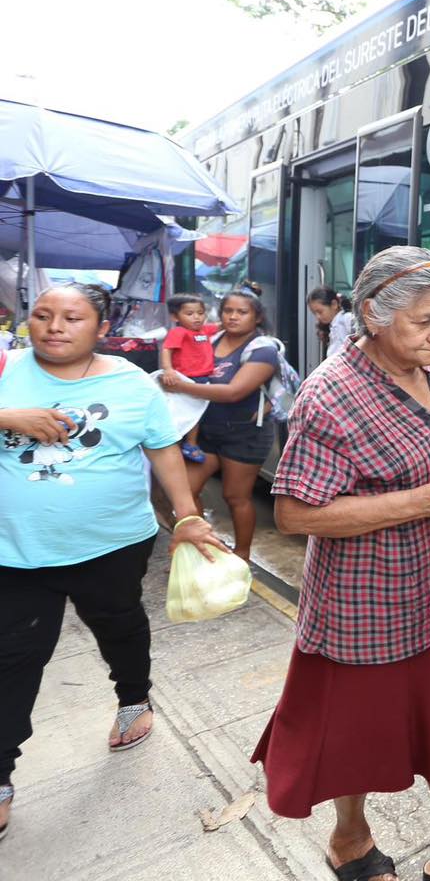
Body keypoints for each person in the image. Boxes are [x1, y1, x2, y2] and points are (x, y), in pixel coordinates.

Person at [251, 248, 430, 881]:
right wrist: (419, 502)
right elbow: (294, 514)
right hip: (365, 603)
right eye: (424, 320)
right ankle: (349, 840)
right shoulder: (331, 395)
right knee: (356, 735)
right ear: (373, 316)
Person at [0, 283, 223, 842]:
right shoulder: (5, 366)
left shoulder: (129, 382)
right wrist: (10, 416)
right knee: (14, 658)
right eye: (42, 315)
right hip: (17, 551)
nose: (54, 326)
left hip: (113, 545)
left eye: (72, 317)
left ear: (100, 328)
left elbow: (162, 448)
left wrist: (187, 515)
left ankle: (133, 698)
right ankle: (1, 776)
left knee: (121, 627)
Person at [161, 283, 278, 560]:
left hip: (245, 434)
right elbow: (177, 357)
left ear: (257, 317)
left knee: (236, 497)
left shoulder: (263, 349)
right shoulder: (207, 339)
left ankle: (242, 556)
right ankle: (203, 550)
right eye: (228, 311)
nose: (233, 317)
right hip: (206, 432)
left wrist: (182, 386)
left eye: (242, 312)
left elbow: (234, 392)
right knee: (185, 492)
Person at [159, 292, 219, 464]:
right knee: (182, 413)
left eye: (200, 313)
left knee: (195, 414)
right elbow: (167, 349)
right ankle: (178, 444)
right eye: (190, 314)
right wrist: (168, 369)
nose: (197, 318)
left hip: (202, 379)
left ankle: (190, 444)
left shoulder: (204, 330)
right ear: (174, 316)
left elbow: (221, 326)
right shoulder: (179, 332)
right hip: (184, 380)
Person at [308, 285, 356, 360]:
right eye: (314, 313)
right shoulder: (332, 327)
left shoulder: (347, 318)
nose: (318, 317)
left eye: (320, 312)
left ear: (334, 304)